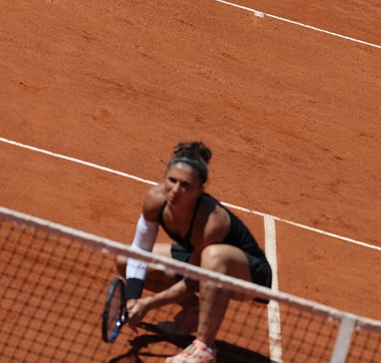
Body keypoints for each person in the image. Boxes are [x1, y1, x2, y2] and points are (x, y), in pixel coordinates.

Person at [117, 141, 272, 363]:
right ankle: (194, 311)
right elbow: (140, 250)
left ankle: (205, 348)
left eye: (185, 185)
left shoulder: (211, 222)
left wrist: (148, 304)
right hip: (200, 262)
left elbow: (191, 281)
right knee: (124, 259)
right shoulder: (154, 200)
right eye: (172, 180)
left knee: (213, 256)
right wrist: (133, 298)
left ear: (200, 190)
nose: (175, 190)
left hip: (247, 276)